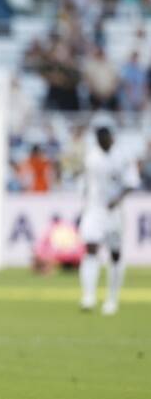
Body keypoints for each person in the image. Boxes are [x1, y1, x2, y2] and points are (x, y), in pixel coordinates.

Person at [78, 123, 140, 315]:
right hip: (95, 209)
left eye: (106, 139)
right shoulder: (92, 157)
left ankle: (112, 299)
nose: (104, 143)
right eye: (100, 140)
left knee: (115, 254)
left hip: (114, 212)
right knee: (91, 248)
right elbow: (87, 183)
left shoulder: (123, 157)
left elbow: (132, 183)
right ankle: (88, 296)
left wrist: (117, 199)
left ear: (111, 138)